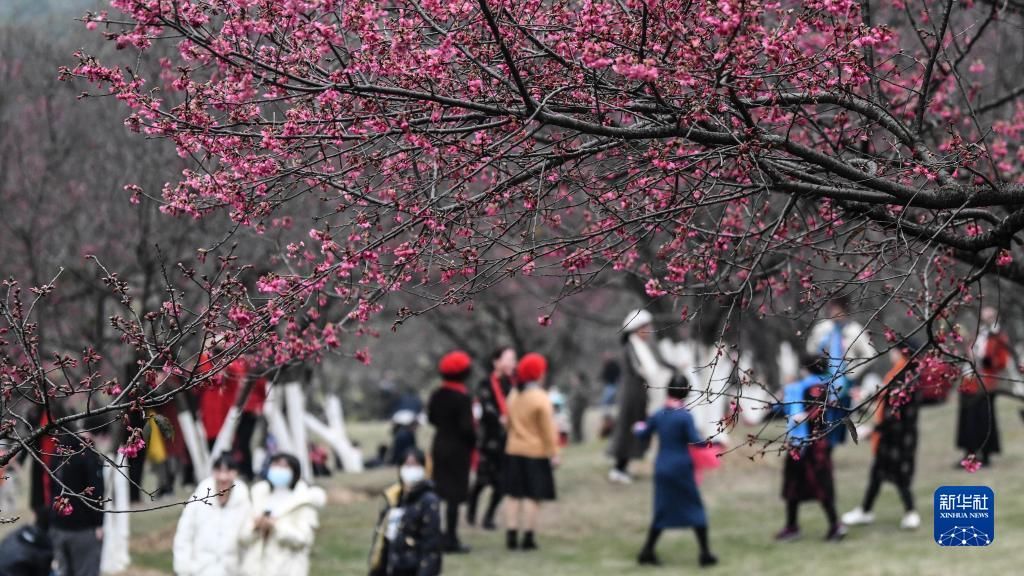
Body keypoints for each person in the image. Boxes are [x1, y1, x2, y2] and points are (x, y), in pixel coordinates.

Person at [633, 374, 717, 568]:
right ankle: (705, 554)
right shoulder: (685, 416)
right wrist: (713, 441)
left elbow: (643, 432)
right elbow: (696, 441)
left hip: (662, 467)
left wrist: (636, 428)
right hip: (681, 468)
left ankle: (647, 551)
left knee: (661, 510)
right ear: (686, 393)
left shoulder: (659, 414)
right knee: (695, 508)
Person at [843, 343, 924, 531]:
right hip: (899, 433)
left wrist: (874, 430)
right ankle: (866, 510)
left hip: (897, 435)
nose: (891, 356)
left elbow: (894, 411)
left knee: (899, 473)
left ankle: (911, 512)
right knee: (878, 473)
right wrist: (868, 397)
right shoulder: (906, 374)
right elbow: (886, 400)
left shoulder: (902, 377)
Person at [776, 356, 846, 542]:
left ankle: (834, 525)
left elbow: (816, 410)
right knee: (794, 485)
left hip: (812, 446)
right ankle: (792, 525)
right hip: (806, 445)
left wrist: (804, 417)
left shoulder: (814, 387)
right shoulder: (817, 386)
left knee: (820, 485)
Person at [609, 309, 672, 484]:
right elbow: (640, 369)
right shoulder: (630, 347)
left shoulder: (641, 346)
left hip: (640, 394)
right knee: (628, 431)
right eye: (645, 327)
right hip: (631, 395)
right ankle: (619, 468)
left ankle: (623, 467)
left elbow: (657, 364)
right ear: (636, 329)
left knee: (634, 431)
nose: (649, 331)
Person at [504, 353, 559, 551]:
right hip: (535, 453)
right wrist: (554, 453)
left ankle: (511, 534)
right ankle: (528, 537)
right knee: (532, 496)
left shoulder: (513, 394)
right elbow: (548, 431)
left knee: (513, 495)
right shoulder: (541, 398)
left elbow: (508, 424)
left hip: (513, 449)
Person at [805, 295, 878, 445]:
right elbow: (810, 350)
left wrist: (852, 372)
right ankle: (822, 442)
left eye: (837, 308)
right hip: (822, 378)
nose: (833, 312)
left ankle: (836, 442)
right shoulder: (822, 329)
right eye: (831, 308)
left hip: (844, 381)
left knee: (840, 413)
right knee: (821, 413)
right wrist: (818, 357)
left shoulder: (854, 330)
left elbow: (871, 354)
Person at [241, 453, 326, 576]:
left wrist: (276, 526)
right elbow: (243, 537)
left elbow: (303, 540)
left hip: (288, 569)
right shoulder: (258, 496)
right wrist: (256, 527)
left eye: (284, 466)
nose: (278, 470)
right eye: (275, 465)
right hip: (257, 568)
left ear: (294, 471)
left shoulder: (303, 501)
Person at [426, 350, 477, 553]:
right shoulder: (462, 398)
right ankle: (451, 538)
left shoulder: (437, 395)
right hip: (458, 450)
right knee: (454, 496)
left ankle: (435, 535)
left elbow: (431, 419)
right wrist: (474, 440)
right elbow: (467, 428)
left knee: (439, 493)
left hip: (439, 445)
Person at [50, 415, 110, 576]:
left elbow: (50, 485)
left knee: (63, 571)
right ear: (100, 434)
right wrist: (98, 524)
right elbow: (96, 492)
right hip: (83, 529)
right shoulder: (89, 456)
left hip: (58, 525)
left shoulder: (59, 451)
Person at [173, 454, 252, 576]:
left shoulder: (243, 500)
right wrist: (183, 567)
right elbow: (184, 533)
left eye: (228, 471)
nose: (223, 476)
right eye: (219, 470)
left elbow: (247, 539)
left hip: (231, 570)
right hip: (200, 569)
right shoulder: (199, 498)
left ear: (235, 473)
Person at [369, 449, 443, 576]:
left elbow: (431, 547)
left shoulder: (428, 501)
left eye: (415, 465)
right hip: (391, 568)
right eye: (407, 465)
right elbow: (383, 541)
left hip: (412, 569)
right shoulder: (394, 497)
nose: (410, 469)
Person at [467, 346, 516, 530]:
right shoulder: (486, 384)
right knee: (483, 479)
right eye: (509, 358)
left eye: (513, 359)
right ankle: (472, 505)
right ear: (496, 362)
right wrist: (500, 418)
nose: (512, 363)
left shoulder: (513, 384)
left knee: (502, 482)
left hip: (508, 439)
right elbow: (485, 407)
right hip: (489, 439)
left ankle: (489, 517)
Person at [956, 306, 1007, 467]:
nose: (986, 319)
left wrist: (986, 361)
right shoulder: (977, 334)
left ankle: (985, 455)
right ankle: (968, 454)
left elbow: (1002, 361)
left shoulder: (999, 337)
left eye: (990, 316)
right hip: (969, 382)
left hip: (986, 384)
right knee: (968, 421)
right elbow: (969, 350)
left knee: (984, 420)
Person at [568, 371, 590, 444]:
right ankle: (577, 440)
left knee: (578, 425)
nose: (572, 380)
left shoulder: (580, 387)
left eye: (574, 378)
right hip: (574, 409)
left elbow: (584, 397)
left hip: (578, 409)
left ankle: (579, 440)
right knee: (575, 425)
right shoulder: (575, 388)